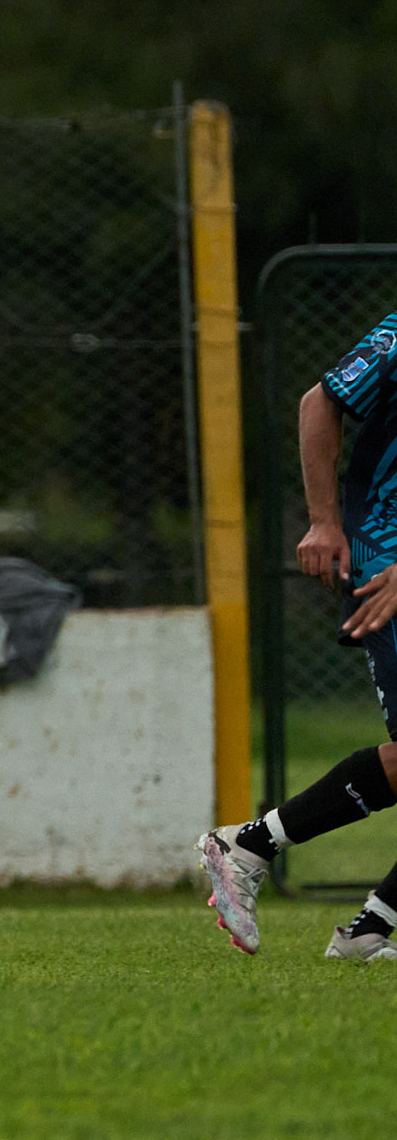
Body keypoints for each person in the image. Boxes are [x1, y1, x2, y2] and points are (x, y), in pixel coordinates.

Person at [201, 310, 397, 961]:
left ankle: (367, 927)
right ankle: (255, 848)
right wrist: (323, 521)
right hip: (384, 562)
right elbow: (321, 401)